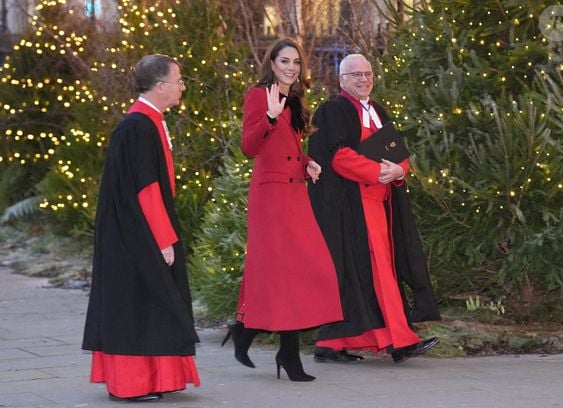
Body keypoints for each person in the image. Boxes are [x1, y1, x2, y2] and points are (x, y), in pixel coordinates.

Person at [221, 37, 343, 382]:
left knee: (308, 267)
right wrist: (270, 117)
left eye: (296, 62)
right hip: (271, 197)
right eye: (284, 61)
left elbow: (286, 150)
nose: (291, 67)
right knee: (283, 270)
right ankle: (286, 355)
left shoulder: (295, 99)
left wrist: (307, 163)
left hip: (294, 192)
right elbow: (250, 146)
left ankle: (247, 334)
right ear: (271, 64)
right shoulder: (259, 95)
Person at [307, 54, 441, 364]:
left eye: (367, 74)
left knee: (372, 273)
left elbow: (397, 152)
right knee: (375, 273)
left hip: (381, 207)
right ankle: (400, 340)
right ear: (342, 80)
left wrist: (400, 171)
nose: (363, 79)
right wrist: (377, 172)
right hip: (353, 208)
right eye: (355, 75)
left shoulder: (378, 111)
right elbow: (337, 157)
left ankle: (332, 344)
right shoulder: (333, 110)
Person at [82, 54, 200, 402]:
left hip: (138, 231)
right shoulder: (137, 127)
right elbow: (146, 189)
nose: (182, 86)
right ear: (160, 86)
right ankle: (132, 384)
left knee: (149, 303)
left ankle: (156, 378)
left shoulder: (147, 122)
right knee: (138, 304)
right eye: (178, 80)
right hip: (138, 235)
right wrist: (163, 240)